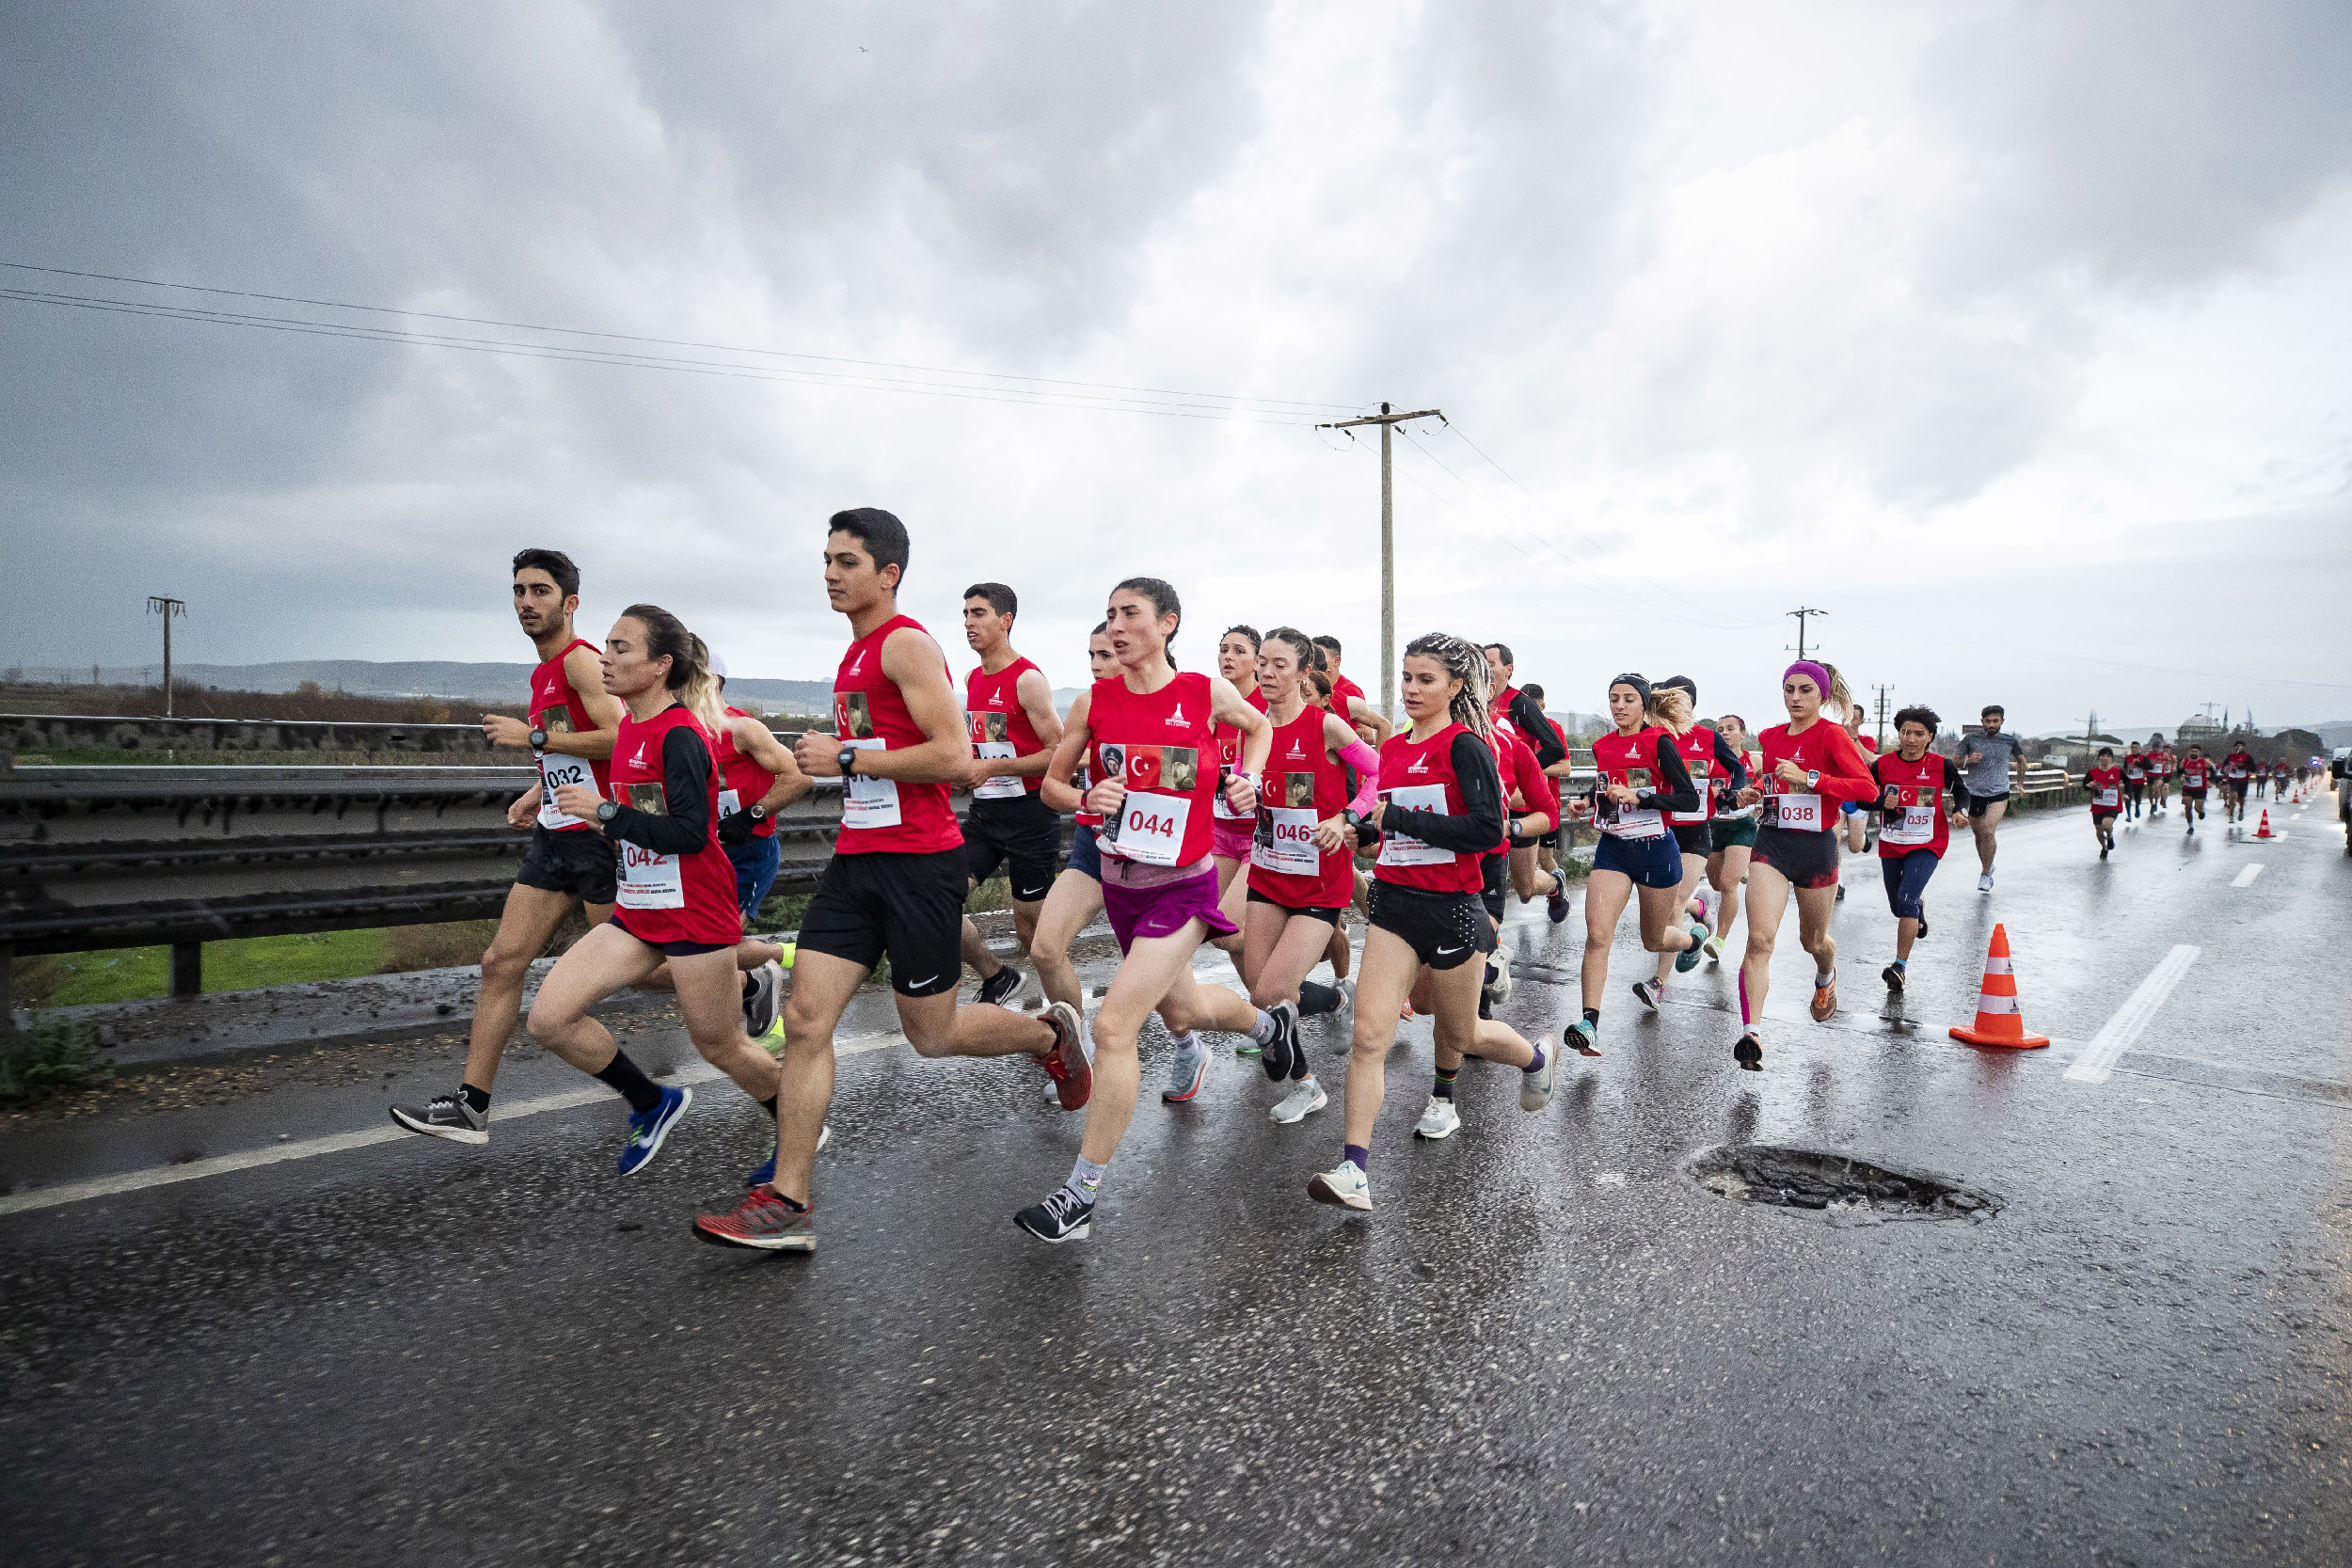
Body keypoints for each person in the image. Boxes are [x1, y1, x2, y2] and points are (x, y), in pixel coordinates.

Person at [693, 509, 1086, 1253]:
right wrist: (849, 760)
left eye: (846, 561)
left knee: (930, 1036)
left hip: (919, 862)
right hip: (857, 861)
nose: (830, 574)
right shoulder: (851, 657)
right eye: (826, 560)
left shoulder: (905, 645)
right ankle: (788, 1205)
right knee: (808, 1021)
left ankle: (1047, 1033)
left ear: (889, 574)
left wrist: (845, 758)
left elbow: (954, 755)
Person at [1013, 577, 1279, 1243]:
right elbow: (1049, 784)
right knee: (1185, 1009)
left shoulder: (1202, 692)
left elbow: (1262, 725)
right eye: (1109, 614)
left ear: (1168, 623)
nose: (1117, 625)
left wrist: (1246, 777)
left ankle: (1081, 1195)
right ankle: (1273, 1029)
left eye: (1130, 613)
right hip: (1120, 885)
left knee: (1114, 1028)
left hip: (1183, 887)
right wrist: (1084, 799)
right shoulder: (1093, 703)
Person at [513, 607, 784, 1174]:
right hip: (638, 909)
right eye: (607, 645)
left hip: (692, 910)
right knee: (548, 1020)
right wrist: (551, 798)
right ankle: (651, 1101)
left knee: (719, 1045)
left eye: (621, 649)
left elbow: (689, 832)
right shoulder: (630, 726)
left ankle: (796, 1125)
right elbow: (640, 812)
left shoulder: (682, 735)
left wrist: (607, 814)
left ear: (661, 665)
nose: (605, 659)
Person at [1309, 634, 1555, 1212]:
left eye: (1426, 680)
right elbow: (1390, 829)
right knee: (1370, 1037)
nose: (1412, 690)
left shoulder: (1466, 746)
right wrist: (1360, 831)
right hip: (1395, 906)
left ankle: (1536, 1059)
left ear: (1456, 685)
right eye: (1407, 678)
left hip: (1452, 909)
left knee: (1462, 1033)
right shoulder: (1392, 749)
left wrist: (1398, 817)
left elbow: (1484, 832)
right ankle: (1354, 1169)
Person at [391, 548, 623, 1145]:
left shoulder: (580, 663)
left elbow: (624, 740)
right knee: (502, 962)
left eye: (540, 591)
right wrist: (538, 787)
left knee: (643, 971)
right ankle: (472, 1106)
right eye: (519, 591)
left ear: (570, 603)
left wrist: (534, 736)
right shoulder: (544, 670)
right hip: (555, 833)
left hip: (598, 838)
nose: (526, 602)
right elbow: (572, 751)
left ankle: (747, 975)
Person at [1239, 627, 1382, 1124]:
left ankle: (1337, 1001)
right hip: (1268, 870)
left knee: (1272, 991)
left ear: (1304, 674)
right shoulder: (1250, 726)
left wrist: (1346, 819)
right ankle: (1308, 1084)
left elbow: (1378, 774)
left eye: (1280, 664)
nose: (1267, 672)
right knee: (1261, 992)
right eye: (1263, 662)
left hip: (1321, 879)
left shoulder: (1326, 726)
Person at [630, 653, 807, 1036]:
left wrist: (753, 815)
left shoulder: (743, 729)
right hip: (701, 855)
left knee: (713, 952)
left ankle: (769, 977)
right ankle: (763, 972)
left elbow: (798, 775)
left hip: (749, 853)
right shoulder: (674, 730)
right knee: (680, 955)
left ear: (713, 682)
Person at [1727, 662, 1876, 1070]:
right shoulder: (1773, 736)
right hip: (1773, 843)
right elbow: (1775, 782)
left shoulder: (1831, 735)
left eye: (1805, 690)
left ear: (1821, 696)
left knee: (1813, 941)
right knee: (1759, 940)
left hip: (1816, 849)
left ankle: (1826, 974)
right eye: (1789, 689)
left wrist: (1813, 778)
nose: (1795, 697)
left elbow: (1867, 788)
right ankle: (1751, 1032)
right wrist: (1753, 792)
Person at [1565, 675, 1708, 1042]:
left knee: (1654, 939)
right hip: (1614, 848)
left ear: (1644, 705)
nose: (1620, 706)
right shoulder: (1603, 745)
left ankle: (1693, 941)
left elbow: (1689, 800)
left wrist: (1641, 798)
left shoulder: (1659, 742)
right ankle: (1589, 1024)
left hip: (1656, 850)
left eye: (1629, 699)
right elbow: (1605, 785)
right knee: (1597, 935)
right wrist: (1586, 801)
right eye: (1614, 699)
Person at [955, 582, 1066, 1007]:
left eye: (979, 614)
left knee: (1031, 933)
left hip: (1030, 815)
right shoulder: (972, 678)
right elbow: (980, 745)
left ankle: (1066, 1019)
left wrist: (993, 768)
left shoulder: (1028, 679)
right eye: (965, 614)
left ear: (1006, 621)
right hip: (985, 815)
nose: (968, 623)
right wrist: (964, 768)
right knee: (941, 895)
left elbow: (1057, 754)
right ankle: (997, 976)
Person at [1639, 676, 1745, 1004]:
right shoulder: (1653, 737)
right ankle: (1696, 922)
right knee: (1661, 907)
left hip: (1696, 832)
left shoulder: (1708, 737)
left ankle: (1658, 983)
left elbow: (1737, 769)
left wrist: (1732, 791)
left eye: (1679, 700)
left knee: (1672, 904)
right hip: (1660, 829)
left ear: (1691, 706)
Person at [1867, 706, 1966, 996]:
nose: (1910, 739)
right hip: (1892, 842)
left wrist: (1961, 810)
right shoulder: (1882, 765)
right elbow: (1863, 797)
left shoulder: (1940, 764)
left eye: (1918, 734)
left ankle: (1899, 967)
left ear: (1930, 737)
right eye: (1905, 732)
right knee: (1899, 907)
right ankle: (1917, 910)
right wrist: (1879, 803)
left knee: (1906, 899)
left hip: (1927, 842)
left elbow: (1961, 789)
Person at [1206, 626, 1269, 970]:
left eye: (1238, 651)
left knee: (1230, 931)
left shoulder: (1267, 706)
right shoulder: (1214, 705)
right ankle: (1269, 1016)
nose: (1227, 657)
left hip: (1261, 834)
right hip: (1221, 831)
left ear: (1257, 661)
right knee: (1221, 933)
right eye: (1223, 649)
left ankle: (1298, 949)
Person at [1703, 713, 1759, 963]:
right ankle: (1702, 908)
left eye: (1731, 728)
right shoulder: (1709, 761)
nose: (1724, 733)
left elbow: (1770, 781)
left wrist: (1757, 792)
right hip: (1714, 827)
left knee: (1728, 885)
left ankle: (1719, 940)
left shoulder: (1753, 760)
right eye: (1720, 729)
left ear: (1743, 733)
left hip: (1742, 826)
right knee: (1716, 884)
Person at [1959, 705, 2024, 892]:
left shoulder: (2009, 741)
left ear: (2002, 721)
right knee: (1979, 835)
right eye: (1988, 721)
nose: (1991, 725)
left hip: (1999, 792)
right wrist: (1967, 760)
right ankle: (1988, 864)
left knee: (1988, 831)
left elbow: (2022, 761)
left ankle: (1985, 874)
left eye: (1995, 721)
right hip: (1974, 793)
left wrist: (2020, 783)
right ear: (1982, 722)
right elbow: (1955, 760)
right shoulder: (1971, 739)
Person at [1311, 634, 1394, 749]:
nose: (1316, 661)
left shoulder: (1349, 692)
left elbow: (1369, 736)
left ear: (1336, 661)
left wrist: (1336, 735)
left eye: (1321, 657)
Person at [2087, 747, 2123, 858]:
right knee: (2099, 831)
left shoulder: (2117, 771)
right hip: (2098, 805)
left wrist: (2125, 792)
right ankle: (2104, 847)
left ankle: (2110, 836)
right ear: (2099, 758)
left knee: (2106, 825)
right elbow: (2085, 785)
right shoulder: (2092, 772)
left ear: (2111, 759)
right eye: (2103, 756)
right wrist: (2089, 785)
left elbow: (2127, 783)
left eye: (2108, 756)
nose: (2105, 758)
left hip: (2112, 805)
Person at [2178, 744, 2212, 835]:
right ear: (2188, 752)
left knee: (2197, 808)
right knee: (2187, 807)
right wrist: (2181, 776)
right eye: (2191, 751)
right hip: (2187, 788)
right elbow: (2179, 772)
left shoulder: (2204, 762)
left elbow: (2213, 770)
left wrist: (2211, 781)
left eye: (2196, 751)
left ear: (2200, 753)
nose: (2193, 753)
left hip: (2200, 788)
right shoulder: (2184, 762)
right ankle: (2190, 826)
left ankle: (2201, 812)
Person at [2222, 741, 2254, 823]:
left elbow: (2253, 768)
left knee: (2241, 799)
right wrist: (2224, 769)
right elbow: (2224, 765)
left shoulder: (2248, 757)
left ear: (2244, 747)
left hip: (2243, 780)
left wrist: (2244, 767)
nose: (2239, 747)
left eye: (2241, 746)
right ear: (2234, 747)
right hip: (2232, 780)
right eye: (2237, 746)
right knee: (2233, 797)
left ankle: (2241, 809)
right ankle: (2231, 814)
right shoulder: (2230, 756)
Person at [2122, 742, 2148, 821]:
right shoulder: (2127, 758)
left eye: (2136, 747)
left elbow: (2148, 767)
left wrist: (2138, 764)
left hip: (2139, 781)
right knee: (2128, 797)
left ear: (2139, 748)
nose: (2134, 749)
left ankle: (2137, 808)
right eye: (2132, 748)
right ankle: (2128, 815)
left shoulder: (2143, 758)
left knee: (2137, 797)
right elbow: (2125, 769)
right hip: (2129, 781)